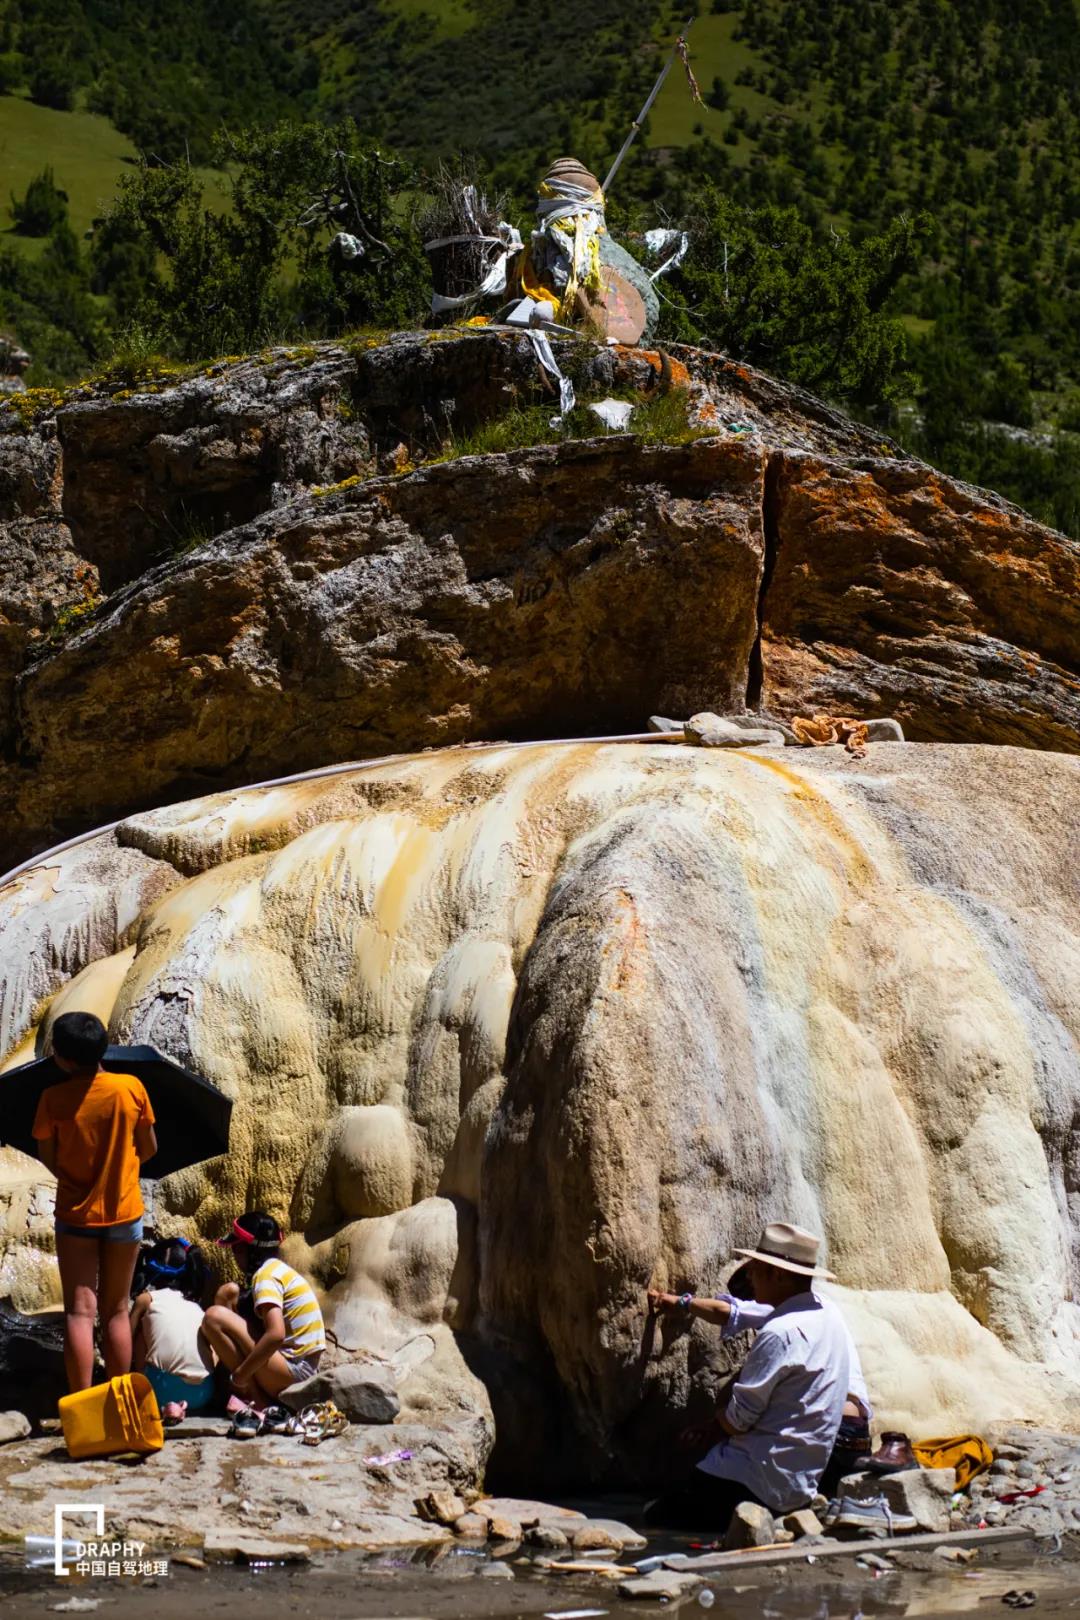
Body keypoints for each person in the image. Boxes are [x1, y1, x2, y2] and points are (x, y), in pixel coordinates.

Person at [646, 1223, 853, 1531]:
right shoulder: (827, 1314)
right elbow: (732, 1312)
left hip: (752, 1481)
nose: (749, 1277)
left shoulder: (779, 1333)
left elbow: (738, 1420)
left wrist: (712, 1423)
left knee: (654, 1516)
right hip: (799, 1483)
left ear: (779, 1275)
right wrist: (678, 1302)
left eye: (756, 1269)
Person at [33, 1010, 158, 1392]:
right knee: (117, 1308)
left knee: (79, 1312)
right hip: (124, 1213)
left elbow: (48, 1158)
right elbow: (150, 1149)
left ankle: (82, 1404)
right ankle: (119, 1403)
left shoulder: (52, 1098)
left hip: (75, 1215)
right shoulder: (131, 1088)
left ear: (65, 1058)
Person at [200, 1211, 325, 1408]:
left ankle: (257, 1400)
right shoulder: (278, 1269)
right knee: (228, 1294)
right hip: (302, 1368)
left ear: (248, 1250)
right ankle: (248, 1389)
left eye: (236, 1249)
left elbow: (276, 1335)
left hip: (295, 1373)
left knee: (213, 1317)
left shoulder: (265, 1276)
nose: (234, 1256)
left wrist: (240, 1375)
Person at [129, 1236, 216, 1421]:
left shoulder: (147, 1299)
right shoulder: (196, 1307)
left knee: (139, 1332)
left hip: (162, 1391)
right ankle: (181, 1405)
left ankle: (141, 1395)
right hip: (204, 1392)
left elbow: (126, 1336)